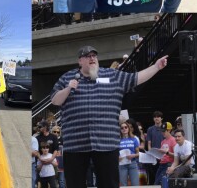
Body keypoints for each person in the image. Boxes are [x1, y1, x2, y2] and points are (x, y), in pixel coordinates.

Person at [51, 45, 168, 187]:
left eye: (94, 55)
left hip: (106, 143)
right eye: (88, 56)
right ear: (80, 61)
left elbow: (136, 78)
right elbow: (55, 100)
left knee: (109, 184)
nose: (92, 58)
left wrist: (156, 67)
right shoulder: (67, 77)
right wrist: (69, 88)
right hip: (75, 144)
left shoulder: (112, 76)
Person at [118, 121, 140, 186]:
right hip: (122, 164)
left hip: (132, 163)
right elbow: (115, 153)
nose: (124, 129)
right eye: (122, 128)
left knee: (135, 184)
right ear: (120, 130)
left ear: (128, 128)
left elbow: (138, 153)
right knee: (123, 185)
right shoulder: (117, 140)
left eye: (125, 127)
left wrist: (134, 155)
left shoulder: (134, 139)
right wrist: (117, 157)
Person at [146, 110, 164, 184]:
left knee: (162, 174)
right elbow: (149, 143)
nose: (156, 118)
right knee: (154, 174)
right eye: (155, 117)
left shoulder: (165, 128)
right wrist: (151, 153)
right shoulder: (150, 129)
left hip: (164, 154)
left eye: (158, 117)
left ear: (161, 118)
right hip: (154, 155)